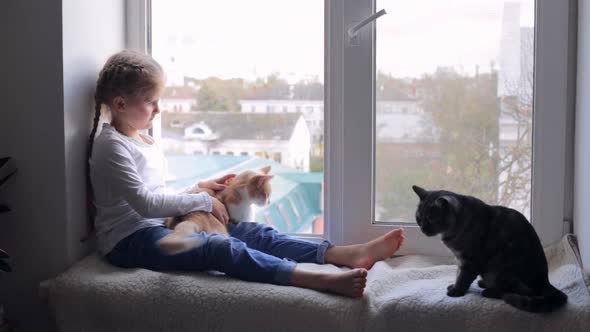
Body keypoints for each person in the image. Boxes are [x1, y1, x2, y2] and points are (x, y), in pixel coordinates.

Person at [88, 50, 405, 298]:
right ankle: (314, 279)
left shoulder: (145, 140)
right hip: (130, 241)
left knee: (254, 234)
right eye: (151, 102)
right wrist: (203, 200)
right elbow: (145, 204)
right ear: (120, 103)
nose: (158, 110)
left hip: (160, 224)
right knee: (219, 247)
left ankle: (344, 254)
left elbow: (159, 195)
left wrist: (198, 189)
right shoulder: (111, 147)